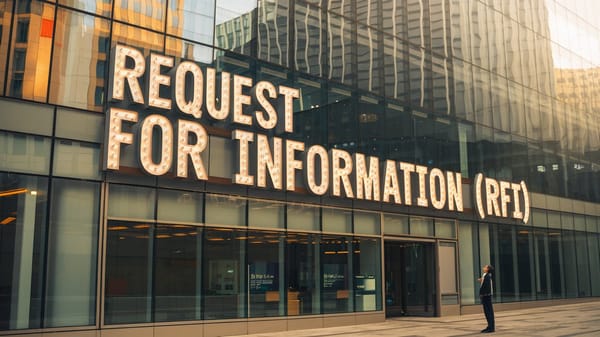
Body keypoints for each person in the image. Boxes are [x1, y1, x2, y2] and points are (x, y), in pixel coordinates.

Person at [477, 264, 495, 333]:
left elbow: (487, 287)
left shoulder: (487, 276)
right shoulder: (486, 276)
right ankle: (490, 326)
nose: (483, 267)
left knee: (488, 312)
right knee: (488, 312)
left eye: (485, 267)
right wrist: (482, 280)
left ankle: (491, 328)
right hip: (487, 296)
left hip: (486, 296)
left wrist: (482, 294)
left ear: (487, 269)